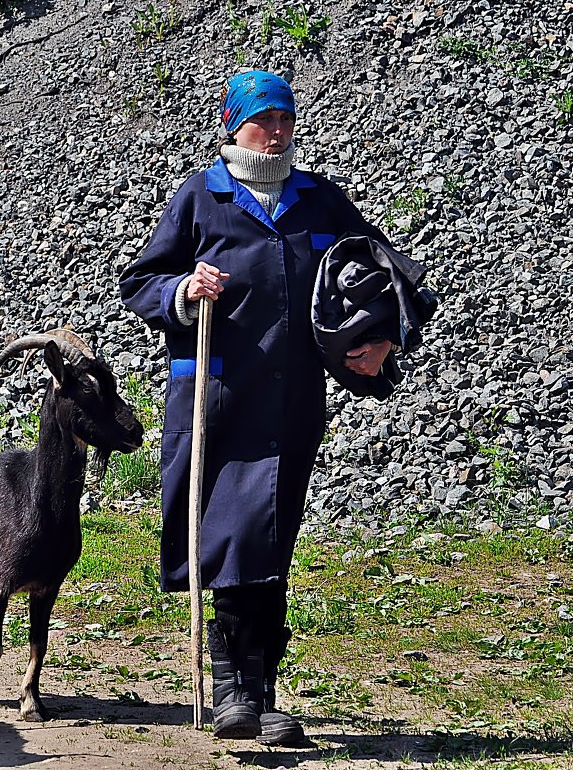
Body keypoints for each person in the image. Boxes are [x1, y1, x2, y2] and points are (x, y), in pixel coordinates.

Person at [118, 70, 394, 745]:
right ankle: (235, 689)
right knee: (230, 537)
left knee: (272, 542)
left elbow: (381, 269)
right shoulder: (202, 196)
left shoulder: (318, 199)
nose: (276, 131)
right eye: (263, 118)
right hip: (217, 400)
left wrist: (381, 338)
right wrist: (184, 287)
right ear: (232, 123)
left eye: (285, 118)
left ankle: (258, 693)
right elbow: (140, 282)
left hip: (292, 401)